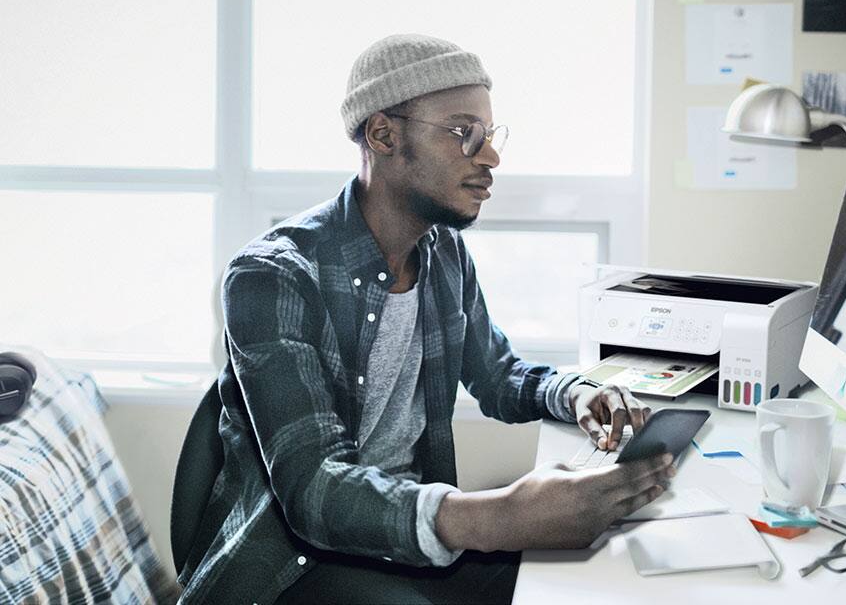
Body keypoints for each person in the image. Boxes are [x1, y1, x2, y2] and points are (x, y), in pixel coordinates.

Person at [177, 34, 676, 605]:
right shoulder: (272, 276)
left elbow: (498, 376)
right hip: (295, 562)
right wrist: (502, 515)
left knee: (589, 572)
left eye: (489, 137)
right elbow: (314, 492)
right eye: (464, 133)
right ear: (383, 135)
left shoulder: (442, 253)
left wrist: (579, 393)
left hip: (408, 538)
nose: (490, 157)